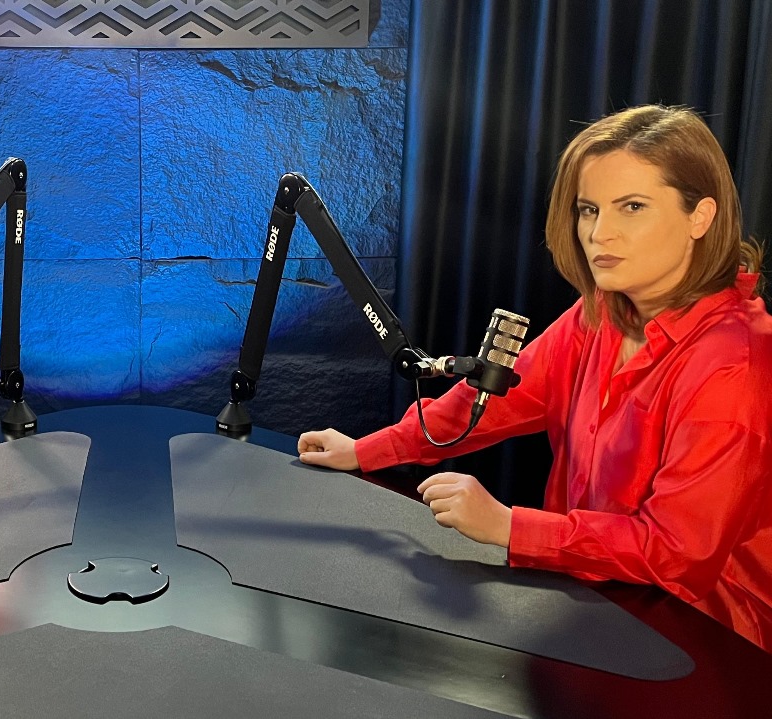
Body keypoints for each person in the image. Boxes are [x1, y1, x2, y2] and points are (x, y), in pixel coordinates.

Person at [298, 105, 772, 652]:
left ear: (700, 216)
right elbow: (499, 397)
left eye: (632, 207)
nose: (600, 234)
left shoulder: (736, 362)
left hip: (706, 641)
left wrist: (508, 526)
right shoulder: (604, 310)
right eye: (589, 209)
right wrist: (367, 451)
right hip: (596, 604)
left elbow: (676, 554)